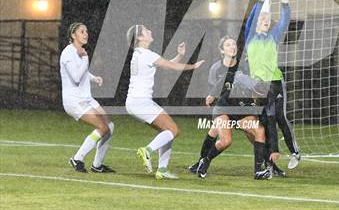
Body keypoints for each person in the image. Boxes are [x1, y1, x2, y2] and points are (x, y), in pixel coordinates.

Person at [125, 24, 204, 179]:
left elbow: (167, 65)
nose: (150, 31)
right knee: (173, 130)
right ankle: (147, 150)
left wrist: (179, 55)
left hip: (135, 102)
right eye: (147, 30)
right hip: (141, 102)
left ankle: (162, 170)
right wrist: (193, 66)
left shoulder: (140, 54)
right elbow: (173, 67)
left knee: (167, 131)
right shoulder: (146, 54)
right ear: (140, 37)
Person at [190, 36, 273, 179]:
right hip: (223, 108)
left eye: (234, 44)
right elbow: (215, 88)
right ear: (222, 50)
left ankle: (259, 170)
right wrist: (211, 96)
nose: (232, 47)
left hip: (242, 109)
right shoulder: (216, 68)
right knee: (224, 140)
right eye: (228, 45)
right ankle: (204, 161)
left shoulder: (244, 66)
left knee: (259, 131)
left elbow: (254, 86)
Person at [245, 0, 301, 170]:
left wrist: (285, 3)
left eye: (268, 20)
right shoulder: (250, 38)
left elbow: (285, 21)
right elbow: (251, 19)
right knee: (265, 121)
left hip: (275, 83)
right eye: (263, 19)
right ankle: (270, 161)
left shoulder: (273, 37)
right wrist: (260, 2)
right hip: (258, 87)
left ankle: (295, 153)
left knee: (279, 117)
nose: (266, 22)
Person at [60, 22, 115, 173]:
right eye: (82, 31)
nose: (86, 34)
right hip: (74, 101)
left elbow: (81, 72)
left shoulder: (80, 52)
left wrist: (93, 78)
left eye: (86, 31)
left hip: (86, 98)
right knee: (102, 127)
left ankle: (97, 165)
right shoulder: (68, 53)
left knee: (109, 127)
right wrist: (85, 59)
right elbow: (76, 77)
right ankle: (78, 158)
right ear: (73, 35)